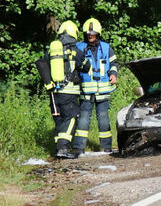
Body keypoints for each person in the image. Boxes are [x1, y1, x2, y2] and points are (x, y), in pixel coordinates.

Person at [41, 20, 89, 159]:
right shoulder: (75, 51)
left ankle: (59, 148)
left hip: (53, 92)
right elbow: (86, 67)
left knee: (59, 119)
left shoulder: (51, 49)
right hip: (69, 92)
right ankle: (63, 148)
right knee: (71, 117)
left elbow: (44, 63)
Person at [73, 18, 118, 155]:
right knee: (83, 119)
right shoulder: (79, 47)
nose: (90, 35)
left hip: (103, 92)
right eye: (88, 33)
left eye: (92, 33)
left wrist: (113, 74)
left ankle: (107, 148)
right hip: (86, 92)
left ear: (98, 33)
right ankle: (79, 148)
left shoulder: (106, 48)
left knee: (104, 119)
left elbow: (114, 63)